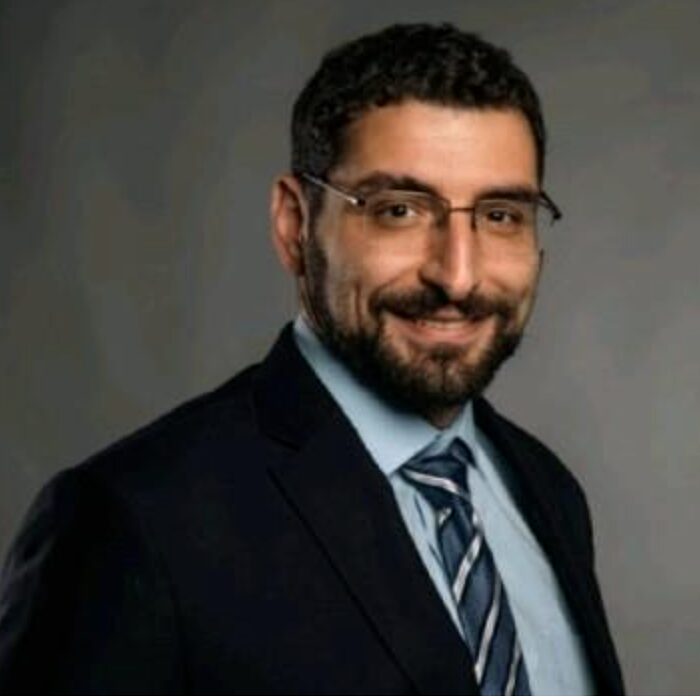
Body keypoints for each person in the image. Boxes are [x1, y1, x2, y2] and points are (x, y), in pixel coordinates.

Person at [0, 23, 624, 694]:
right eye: (400, 210)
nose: (458, 275)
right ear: (295, 225)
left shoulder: (548, 491)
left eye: (500, 215)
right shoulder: (134, 522)